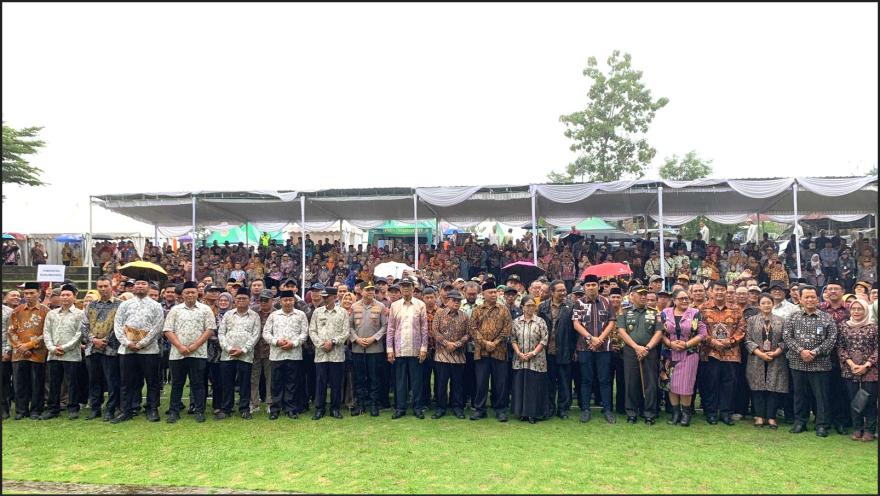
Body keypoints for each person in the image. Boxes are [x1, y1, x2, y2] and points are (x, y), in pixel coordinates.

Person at [783, 285, 838, 437]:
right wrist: (801, 350)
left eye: (813, 297)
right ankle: (800, 422)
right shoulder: (792, 317)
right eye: (806, 297)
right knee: (800, 395)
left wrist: (815, 352)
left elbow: (831, 339)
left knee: (821, 396)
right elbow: (787, 336)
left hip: (820, 364)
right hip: (797, 362)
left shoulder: (826, 318)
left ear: (817, 299)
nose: (810, 300)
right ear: (800, 299)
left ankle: (822, 424)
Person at [112, 276, 164, 423]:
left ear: (148, 287)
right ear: (134, 287)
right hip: (127, 350)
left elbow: (158, 327)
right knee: (127, 382)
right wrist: (127, 342)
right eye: (138, 284)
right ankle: (126, 410)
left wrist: (142, 343)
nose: (140, 286)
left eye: (143, 284)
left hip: (149, 350)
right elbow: (117, 324)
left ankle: (152, 409)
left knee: (152, 381)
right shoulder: (125, 305)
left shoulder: (155, 305)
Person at [164, 281, 216, 423]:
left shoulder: (205, 309)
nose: (190, 295)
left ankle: (199, 411)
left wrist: (195, 345)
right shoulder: (175, 310)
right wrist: (180, 346)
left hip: (198, 353)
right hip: (177, 353)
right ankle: (174, 411)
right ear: (182, 294)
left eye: (193, 292)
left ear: (198, 293)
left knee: (198, 383)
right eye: (187, 292)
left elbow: (210, 330)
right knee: (177, 383)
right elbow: (168, 330)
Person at [700, 280, 746, 426]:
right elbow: (699, 329)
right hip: (709, 353)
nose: (720, 292)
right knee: (710, 384)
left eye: (722, 289)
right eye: (717, 289)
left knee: (729, 385)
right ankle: (711, 413)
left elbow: (742, 329)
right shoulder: (703, 309)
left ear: (727, 291)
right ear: (711, 291)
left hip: (731, 353)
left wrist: (729, 341)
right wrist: (712, 341)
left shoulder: (736, 309)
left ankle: (726, 413)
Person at [572, 275, 616, 424]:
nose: (591, 287)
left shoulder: (607, 302)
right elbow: (576, 324)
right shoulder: (578, 303)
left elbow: (611, 322)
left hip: (604, 348)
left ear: (598, 286)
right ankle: (585, 409)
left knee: (605, 379)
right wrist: (591, 338)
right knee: (586, 379)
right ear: (584, 287)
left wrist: (600, 339)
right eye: (588, 285)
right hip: (584, 347)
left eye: (593, 284)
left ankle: (607, 409)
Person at [616, 285, 664, 425]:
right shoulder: (624, 311)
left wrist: (647, 347)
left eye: (645, 294)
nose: (643, 297)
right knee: (631, 382)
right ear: (632, 296)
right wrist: (636, 347)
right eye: (640, 294)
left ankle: (649, 413)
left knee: (651, 383)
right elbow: (621, 331)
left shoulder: (654, 312)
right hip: (631, 351)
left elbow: (659, 332)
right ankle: (631, 413)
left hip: (649, 351)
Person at [660, 289, 707, 427]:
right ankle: (675, 413)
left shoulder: (695, 313)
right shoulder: (665, 313)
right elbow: (659, 332)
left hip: (689, 353)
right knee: (670, 383)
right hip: (669, 354)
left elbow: (702, 334)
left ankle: (686, 413)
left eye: (686, 298)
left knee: (686, 384)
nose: (685, 301)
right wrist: (670, 343)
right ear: (674, 300)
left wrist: (686, 344)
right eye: (681, 298)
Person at [469, 279, 513, 422]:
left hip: (499, 351)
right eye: (490, 292)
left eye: (495, 292)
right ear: (483, 294)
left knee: (500, 382)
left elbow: (507, 328)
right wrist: (484, 342)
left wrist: (495, 342)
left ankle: (500, 409)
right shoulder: (477, 310)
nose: (494, 294)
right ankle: (480, 409)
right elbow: (472, 329)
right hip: (481, 352)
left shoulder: (503, 309)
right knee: (481, 382)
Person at [262, 289, 309, 420]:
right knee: (276, 383)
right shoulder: (274, 315)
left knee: (292, 383)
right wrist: (276, 342)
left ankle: (291, 409)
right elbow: (266, 333)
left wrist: (293, 343)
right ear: (280, 302)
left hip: (294, 354)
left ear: (294, 301)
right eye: (285, 300)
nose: (288, 302)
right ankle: (275, 409)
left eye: (290, 300)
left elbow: (304, 333)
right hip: (276, 354)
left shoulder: (301, 315)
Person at [80, 276, 122, 421]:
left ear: (111, 287)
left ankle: (111, 409)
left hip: (111, 349)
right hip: (92, 349)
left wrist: (105, 340)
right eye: (100, 286)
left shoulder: (120, 305)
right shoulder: (90, 305)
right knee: (94, 380)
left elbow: (120, 326)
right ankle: (95, 408)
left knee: (112, 381)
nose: (103, 289)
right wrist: (94, 340)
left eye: (105, 286)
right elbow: (84, 326)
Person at [744, 293, 788, 430]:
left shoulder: (781, 321)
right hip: (757, 358)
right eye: (763, 303)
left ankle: (771, 417)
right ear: (759, 305)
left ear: (773, 304)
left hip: (776, 358)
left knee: (773, 388)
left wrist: (776, 352)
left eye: (769, 302)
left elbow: (786, 340)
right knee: (757, 388)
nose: (766, 305)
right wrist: (760, 353)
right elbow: (747, 340)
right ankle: (759, 416)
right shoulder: (752, 320)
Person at [386, 277, 428, 419]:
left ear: (413, 288)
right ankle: (400, 408)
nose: (405, 288)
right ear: (400, 289)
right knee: (400, 381)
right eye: (403, 286)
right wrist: (390, 350)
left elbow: (424, 328)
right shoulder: (394, 305)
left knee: (417, 381)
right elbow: (391, 329)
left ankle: (417, 408)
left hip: (415, 349)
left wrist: (423, 348)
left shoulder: (420, 305)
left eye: (408, 286)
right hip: (399, 349)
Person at [41, 284, 84, 420]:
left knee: (72, 383)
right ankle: (53, 409)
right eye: (63, 295)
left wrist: (64, 348)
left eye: (68, 295)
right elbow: (46, 332)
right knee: (54, 382)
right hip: (54, 354)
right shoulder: (52, 314)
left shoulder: (80, 314)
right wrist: (52, 348)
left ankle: (73, 408)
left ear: (74, 297)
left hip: (71, 355)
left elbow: (79, 335)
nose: (65, 297)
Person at [217, 287, 261, 420]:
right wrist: (228, 348)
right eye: (238, 298)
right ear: (234, 300)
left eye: (244, 298)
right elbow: (221, 333)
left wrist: (243, 350)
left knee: (245, 384)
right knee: (227, 383)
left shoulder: (254, 316)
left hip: (245, 356)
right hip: (227, 355)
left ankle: (244, 409)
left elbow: (256, 335)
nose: (241, 300)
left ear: (249, 300)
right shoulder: (228, 315)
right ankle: (226, 408)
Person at [8, 282, 50, 420]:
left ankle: (36, 410)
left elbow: (47, 333)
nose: (28, 296)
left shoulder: (46, 311)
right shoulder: (17, 311)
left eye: (32, 293)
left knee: (37, 383)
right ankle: (21, 410)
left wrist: (30, 345)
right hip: (19, 353)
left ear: (39, 293)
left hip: (38, 353)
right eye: (26, 293)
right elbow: (11, 331)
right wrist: (21, 346)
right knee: (19, 383)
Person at [837, 299, 877, 442]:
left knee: (870, 400)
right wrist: (851, 364)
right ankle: (857, 428)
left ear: (865, 310)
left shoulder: (874, 327)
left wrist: (866, 365)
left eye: (860, 309)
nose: (856, 312)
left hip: (870, 370)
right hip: (850, 369)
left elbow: (877, 348)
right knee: (854, 400)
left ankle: (870, 430)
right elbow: (840, 347)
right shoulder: (844, 326)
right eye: (853, 309)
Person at [537, 280, 576, 420]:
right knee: (549, 381)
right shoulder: (542, 307)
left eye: (564, 290)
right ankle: (549, 407)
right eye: (559, 290)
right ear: (552, 292)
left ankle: (563, 408)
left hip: (565, 348)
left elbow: (574, 331)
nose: (563, 293)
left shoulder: (571, 306)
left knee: (565, 381)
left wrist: (574, 350)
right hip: (547, 350)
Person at [309, 287, 350, 419]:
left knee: (336, 383)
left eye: (327, 297)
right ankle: (319, 408)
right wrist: (321, 344)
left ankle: (335, 408)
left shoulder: (342, 312)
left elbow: (346, 332)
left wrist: (332, 342)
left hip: (336, 354)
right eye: (324, 297)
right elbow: (312, 331)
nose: (325, 299)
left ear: (334, 297)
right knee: (320, 382)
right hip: (321, 354)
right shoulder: (317, 312)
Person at [349, 282, 387, 417]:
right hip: (358, 348)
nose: (371, 292)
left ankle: (374, 404)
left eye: (372, 290)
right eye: (367, 290)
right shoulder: (354, 306)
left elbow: (385, 326)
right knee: (359, 378)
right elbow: (349, 326)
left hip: (375, 348)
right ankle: (360, 405)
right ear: (361, 291)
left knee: (374, 378)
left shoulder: (381, 306)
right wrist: (356, 339)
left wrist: (373, 338)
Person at [431, 289, 470, 419]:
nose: (456, 303)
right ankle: (440, 408)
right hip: (442, 355)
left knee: (457, 384)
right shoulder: (439, 314)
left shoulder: (464, 316)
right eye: (454, 300)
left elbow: (468, 334)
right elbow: (434, 331)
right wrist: (446, 343)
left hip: (458, 356)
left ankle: (457, 407)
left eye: (458, 301)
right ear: (447, 301)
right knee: (441, 384)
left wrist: (457, 344)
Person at [510, 296, 550, 424]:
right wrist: (518, 353)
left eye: (533, 305)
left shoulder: (540, 321)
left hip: (537, 360)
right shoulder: (516, 322)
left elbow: (544, 340)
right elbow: (513, 339)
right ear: (522, 307)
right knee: (520, 386)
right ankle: (521, 413)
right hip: (520, 359)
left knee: (534, 386)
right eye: (528, 305)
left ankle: (534, 413)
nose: (530, 308)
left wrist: (533, 353)